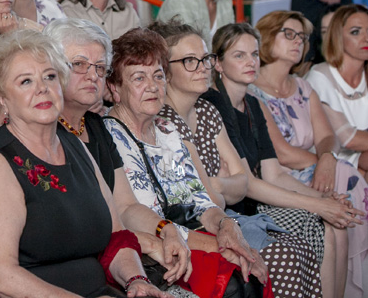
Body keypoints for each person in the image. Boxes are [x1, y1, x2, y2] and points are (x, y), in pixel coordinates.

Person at [0, 28, 170, 297]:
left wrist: (136, 280)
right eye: (25, 81)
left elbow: (116, 235)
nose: (42, 89)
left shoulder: (75, 145)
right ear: (2, 96)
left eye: (50, 76)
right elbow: (0, 277)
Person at [153, 20, 340, 298]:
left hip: (229, 214)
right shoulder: (164, 119)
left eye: (205, 58)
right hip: (196, 225)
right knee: (287, 255)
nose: (203, 67)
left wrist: (218, 183)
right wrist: (223, 186)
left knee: (307, 239)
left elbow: (241, 181)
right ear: (165, 71)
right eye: (190, 61)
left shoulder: (207, 110)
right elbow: (212, 199)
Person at [102, 29, 270, 287]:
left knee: (251, 273)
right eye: (139, 78)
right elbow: (145, 217)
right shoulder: (109, 136)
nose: (152, 86)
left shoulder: (167, 130)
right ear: (115, 88)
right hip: (155, 254)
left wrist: (227, 225)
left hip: (192, 239)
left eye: (158, 76)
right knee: (238, 278)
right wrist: (221, 248)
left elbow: (200, 201)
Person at [46, 18, 200, 297]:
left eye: (99, 67)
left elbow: (126, 206)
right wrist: (145, 241)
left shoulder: (95, 126)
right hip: (75, 269)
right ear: (52, 68)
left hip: (118, 258)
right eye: (79, 64)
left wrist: (165, 229)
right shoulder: (45, 132)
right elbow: (73, 224)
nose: (92, 75)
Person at [233, 15, 368, 298]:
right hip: (283, 178)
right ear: (267, 37)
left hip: (318, 170)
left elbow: (326, 136)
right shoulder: (252, 90)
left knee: (346, 178)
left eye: (303, 37)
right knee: (343, 191)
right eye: (289, 34)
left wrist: (328, 157)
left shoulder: (303, 86)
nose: (299, 42)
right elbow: (281, 152)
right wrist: (323, 163)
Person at [306, 5, 368, 173]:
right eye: (356, 32)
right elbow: (348, 139)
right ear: (337, 36)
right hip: (331, 162)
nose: (366, 38)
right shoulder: (320, 76)